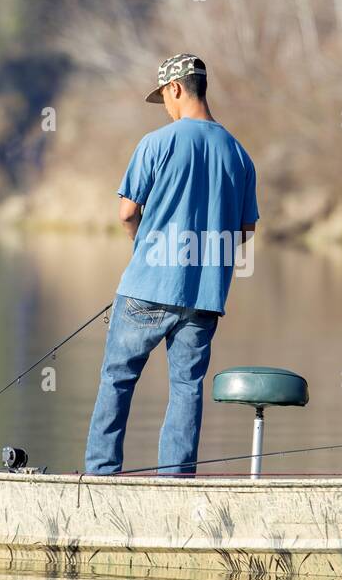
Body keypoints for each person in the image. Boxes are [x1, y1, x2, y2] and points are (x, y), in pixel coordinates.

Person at [84, 53, 258, 475]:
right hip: (203, 296)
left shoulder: (156, 144)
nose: (165, 106)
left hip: (145, 289)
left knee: (117, 380)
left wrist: (145, 244)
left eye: (163, 96)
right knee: (186, 388)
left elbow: (127, 213)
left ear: (175, 88)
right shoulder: (239, 154)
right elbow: (245, 230)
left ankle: (102, 475)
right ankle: (175, 483)